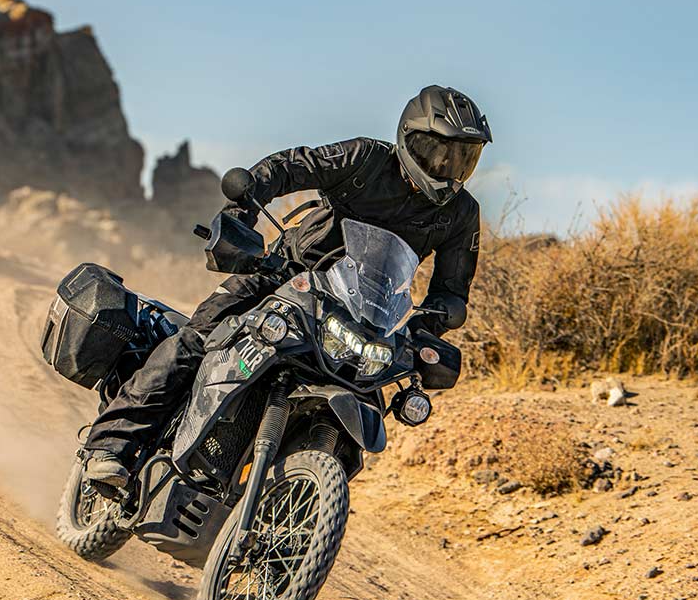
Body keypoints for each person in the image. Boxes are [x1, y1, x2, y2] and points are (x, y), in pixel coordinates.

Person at [83, 85, 492, 488]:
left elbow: (451, 291)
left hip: (362, 316)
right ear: (409, 138)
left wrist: (426, 331)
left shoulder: (460, 213)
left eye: (462, 158)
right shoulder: (366, 158)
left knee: (369, 394)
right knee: (197, 340)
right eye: (438, 151)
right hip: (283, 273)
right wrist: (240, 216)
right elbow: (287, 167)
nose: (447, 166)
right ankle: (111, 446)